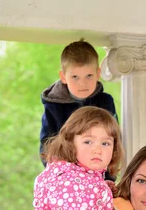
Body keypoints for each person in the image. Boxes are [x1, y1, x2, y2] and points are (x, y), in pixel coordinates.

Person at [40, 38, 118, 179]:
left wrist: (109, 177)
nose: (83, 83)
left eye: (89, 76)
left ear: (98, 73)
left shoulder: (105, 102)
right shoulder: (54, 106)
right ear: (63, 77)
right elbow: (47, 144)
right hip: (66, 176)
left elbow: (114, 139)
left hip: (99, 175)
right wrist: (61, 175)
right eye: (75, 77)